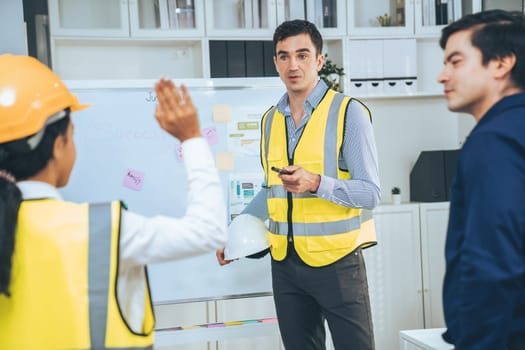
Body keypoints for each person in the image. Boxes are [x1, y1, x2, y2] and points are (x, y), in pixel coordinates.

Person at [0, 54, 227, 349]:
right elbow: (209, 231)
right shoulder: (103, 230)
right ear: (58, 146)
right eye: (73, 135)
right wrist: (192, 138)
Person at [217, 20, 381, 350]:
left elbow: (371, 193)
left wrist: (316, 182)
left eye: (303, 55)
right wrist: (234, 235)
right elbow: (270, 190)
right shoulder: (269, 120)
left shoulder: (349, 114)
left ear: (319, 60)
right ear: (275, 62)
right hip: (286, 266)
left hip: (338, 263)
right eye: (284, 56)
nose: (293, 65)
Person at [437, 9, 525, 350]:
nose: (442, 76)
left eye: (455, 62)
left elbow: (493, 260)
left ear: (501, 63)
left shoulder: (494, 140)